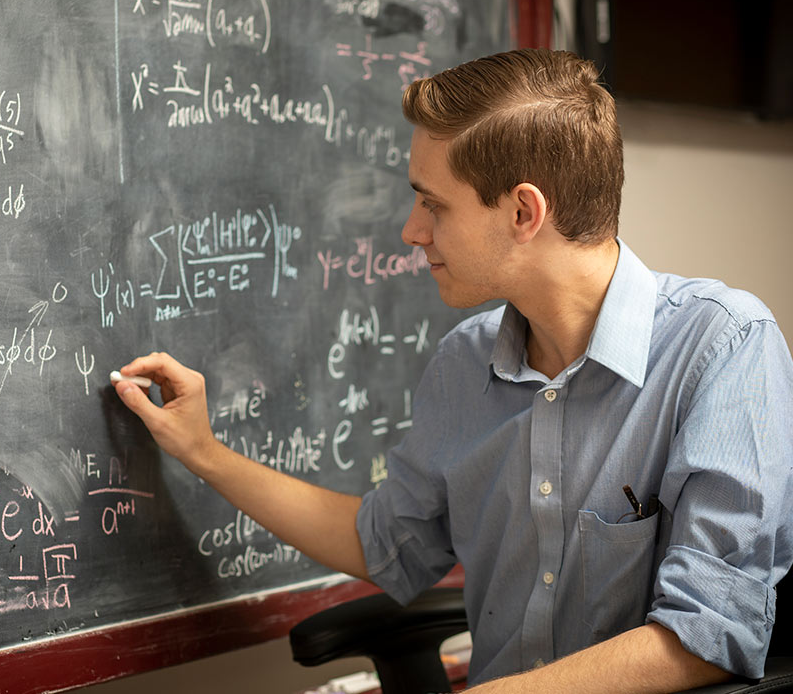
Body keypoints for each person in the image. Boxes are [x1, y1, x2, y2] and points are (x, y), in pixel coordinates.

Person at [112, 48, 793, 692]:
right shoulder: (465, 364)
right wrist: (202, 451)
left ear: (524, 211)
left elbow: (707, 634)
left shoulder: (723, 347)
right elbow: (383, 542)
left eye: (433, 204)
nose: (412, 230)